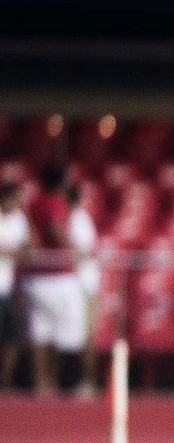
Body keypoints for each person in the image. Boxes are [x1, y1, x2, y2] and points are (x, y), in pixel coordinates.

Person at [21, 166, 88, 395]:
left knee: (40, 333)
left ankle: (42, 383)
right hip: (57, 277)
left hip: (36, 277)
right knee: (64, 334)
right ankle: (61, 381)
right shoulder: (53, 202)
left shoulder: (33, 202)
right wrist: (73, 250)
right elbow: (54, 228)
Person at [67, 184, 100, 395]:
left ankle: (89, 380)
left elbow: (85, 252)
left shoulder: (78, 220)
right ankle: (85, 379)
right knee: (81, 336)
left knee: (87, 336)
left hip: (85, 285)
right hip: (79, 284)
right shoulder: (76, 218)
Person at [0, 182, 27, 387]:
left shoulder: (19, 219)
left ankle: (5, 381)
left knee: (13, 335)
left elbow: (31, 246)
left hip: (8, 287)